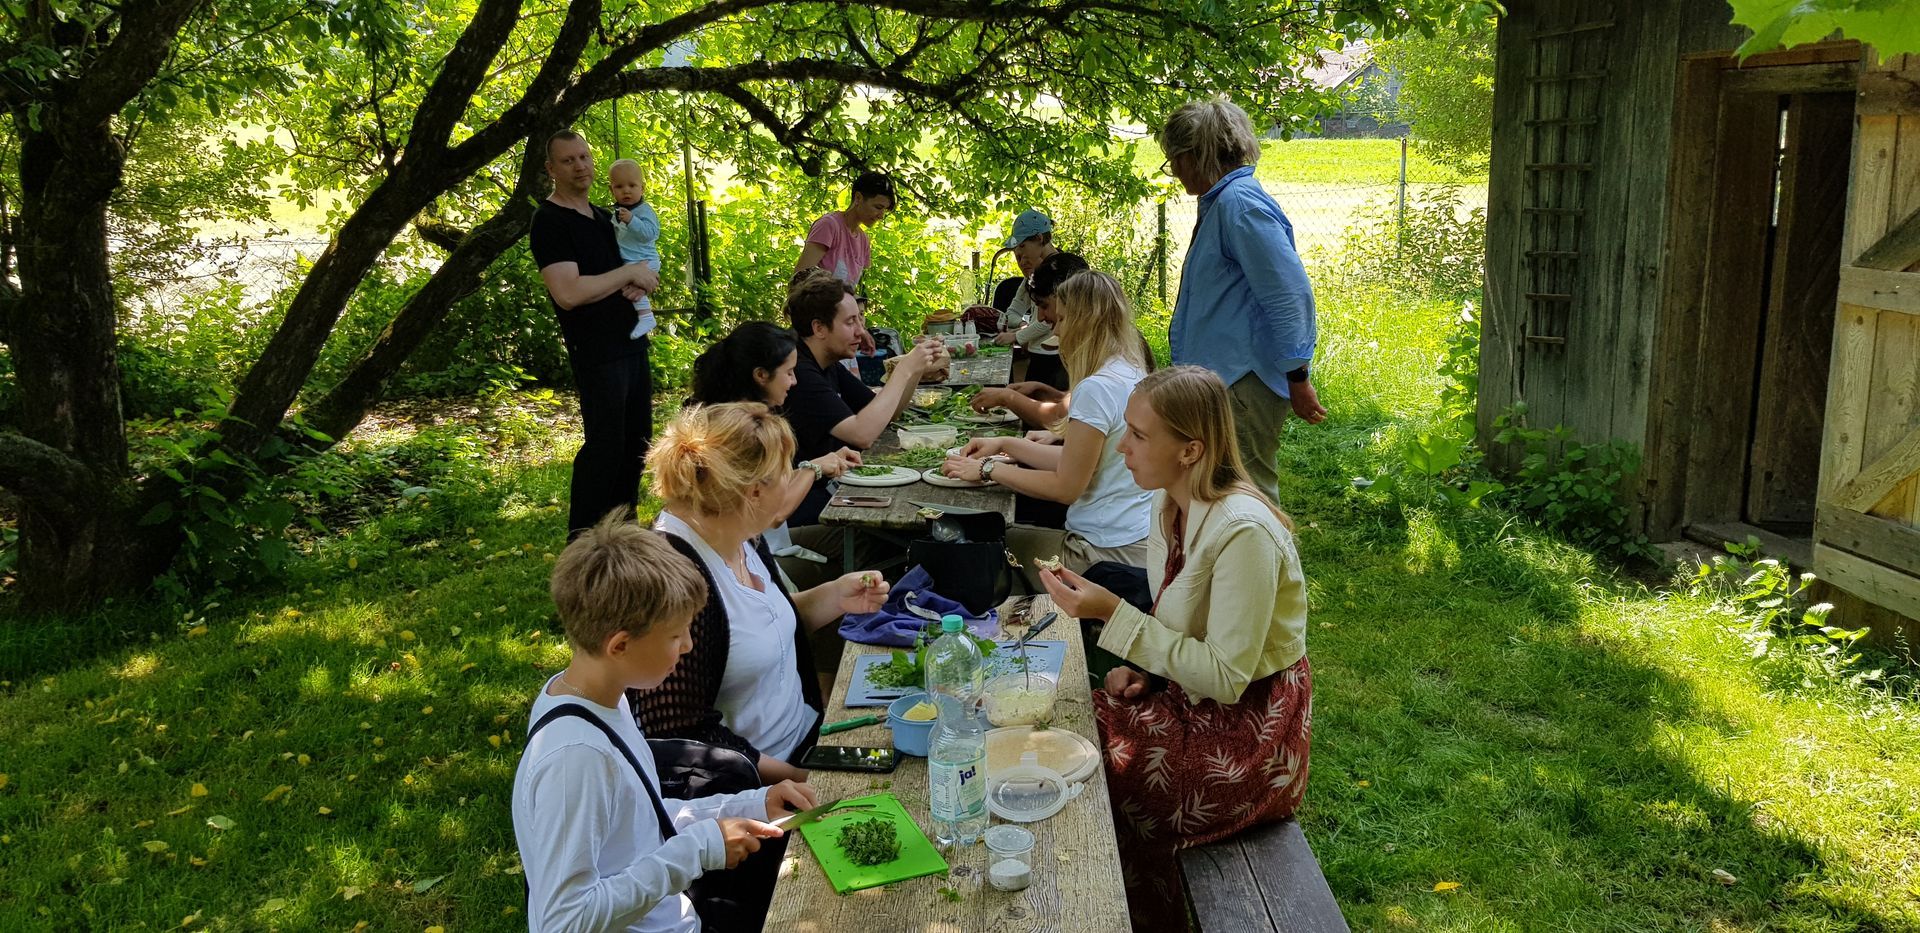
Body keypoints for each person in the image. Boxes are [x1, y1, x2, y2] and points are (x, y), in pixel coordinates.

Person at [1038, 365, 1311, 929]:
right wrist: (1147, 672)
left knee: (1087, 765)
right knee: (1063, 726)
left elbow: (1227, 676)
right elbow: (1183, 626)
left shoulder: (1244, 533)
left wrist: (1114, 616)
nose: (1123, 447)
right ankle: (1117, 907)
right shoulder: (1170, 506)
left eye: (1138, 435)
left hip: (1248, 732)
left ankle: (1124, 913)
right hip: (1194, 702)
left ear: (1191, 450)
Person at [512, 511, 819, 932]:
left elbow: (638, 825)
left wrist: (749, 803)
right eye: (676, 636)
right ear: (619, 645)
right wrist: (695, 851)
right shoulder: (575, 759)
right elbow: (564, 920)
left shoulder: (601, 698)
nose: (689, 645)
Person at [635, 402, 890, 785]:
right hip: (752, 784)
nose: (792, 481)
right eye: (786, 473)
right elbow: (679, 737)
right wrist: (800, 778)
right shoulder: (671, 579)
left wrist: (835, 597)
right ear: (753, 492)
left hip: (807, 740)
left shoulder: (738, 532)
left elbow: (758, 628)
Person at [1160, 97, 1329, 502]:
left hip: (1242, 385)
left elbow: (1289, 295)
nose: (1174, 171)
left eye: (1174, 160)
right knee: (1220, 493)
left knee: (1248, 496)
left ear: (1194, 156)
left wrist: (1298, 377)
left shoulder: (1240, 205)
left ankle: (1272, 567)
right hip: (1223, 382)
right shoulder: (1222, 203)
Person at [945, 270, 1154, 591]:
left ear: (1083, 321)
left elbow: (1066, 486)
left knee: (971, 544)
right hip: (1134, 542)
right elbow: (1080, 462)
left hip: (1097, 555)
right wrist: (1006, 444)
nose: (1054, 329)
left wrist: (988, 469)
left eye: (1060, 321)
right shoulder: (1129, 369)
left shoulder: (1096, 388)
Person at [529, 129, 662, 536]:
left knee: (636, 446)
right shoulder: (550, 222)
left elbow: (641, 263)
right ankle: (583, 544)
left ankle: (623, 536)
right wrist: (627, 272)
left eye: (584, 157)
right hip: (597, 353)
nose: (580, 166)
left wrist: (644, 279)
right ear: (551, 169)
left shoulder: (607, 217)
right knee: (604, 449)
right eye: (568, 160)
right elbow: (569, 293)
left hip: (631, 344)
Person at [780, 269, 946, 531]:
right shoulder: (799, 372)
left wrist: (915, 369)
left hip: (833, 488)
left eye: (860, 320)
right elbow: (863, 435)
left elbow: (885, 414)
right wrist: (903, 369)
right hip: (805, 508)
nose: (861, 331)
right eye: (850, 322)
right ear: (819, 328)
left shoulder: (827, 362)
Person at [970, 250, 1089, 426]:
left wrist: (1007, 397)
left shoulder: (1101, 357)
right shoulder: (1091, 346)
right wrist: (1044, 391)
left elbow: (1058, 419)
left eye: (1045, 306)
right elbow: (1077, 405)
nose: (1040, 317)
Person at [794, 170, 895, 287]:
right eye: (878, 207)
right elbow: (799, 280)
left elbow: (857, 288)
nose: (881, 215)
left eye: (885, 210)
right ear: (858, 198)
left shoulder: (864, 240)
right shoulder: (829, 225)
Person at [609, 158, 662, 340]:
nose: (626, 191)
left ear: (642, 188)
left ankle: (647, 317)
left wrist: (632, 220)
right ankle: (644, 317)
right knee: (624, 287)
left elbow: (651, 234)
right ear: (612, 190)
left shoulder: (644, 211)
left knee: (631, 288)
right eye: (620, 186)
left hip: (646, 261)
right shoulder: (618, 212)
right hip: (631, 262)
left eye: (632, 185)